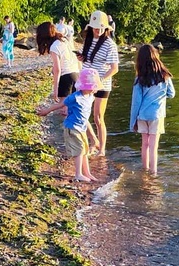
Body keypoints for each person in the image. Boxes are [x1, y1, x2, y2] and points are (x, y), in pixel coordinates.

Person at [38, 68, 101, 182]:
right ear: (84, 86)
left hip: (82, 128)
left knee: (85, 150)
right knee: (79, 150)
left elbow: (85, 116)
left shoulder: (90, 97)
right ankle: (78, 174)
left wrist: (92, 136)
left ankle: (87, 173)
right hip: (72, 127)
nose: (94, 89)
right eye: (92, 87)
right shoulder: (75, 97)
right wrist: (46, 111)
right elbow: (60, 105)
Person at [128, 44, 175, 175]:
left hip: (142, 115)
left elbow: (136, 102)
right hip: (157, 115)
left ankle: (145, 170)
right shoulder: (165, 76)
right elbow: (171, 94)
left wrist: (133, 122)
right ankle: (153, 172)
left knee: (145, 144)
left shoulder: (139, 78)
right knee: (154, 146)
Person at [80, 10, 119, 155]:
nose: (98, 30)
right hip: (86, 82)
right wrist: (81, 58)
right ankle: (92, 142)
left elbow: (114, 68)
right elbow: (87, 59)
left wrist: (100, 80)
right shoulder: (88, 41)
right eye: (95, 28)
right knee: (82, 113)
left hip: (102, 84)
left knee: (98, 117)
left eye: (101, 28)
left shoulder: (110, 44)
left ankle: (101, 149)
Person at [36, 21, 79, 100]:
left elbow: (57, 70)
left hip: (66, 77)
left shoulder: (54, 46)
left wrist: (55, 89)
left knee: (63, 106)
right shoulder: (64, 40)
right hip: (76, 74)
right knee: (72, 105)